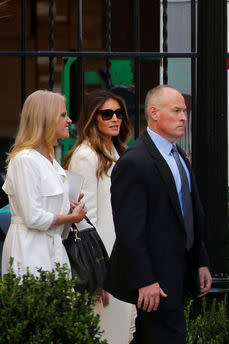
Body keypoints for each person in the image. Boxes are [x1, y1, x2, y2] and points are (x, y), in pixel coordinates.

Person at [105, 85, 212, 344]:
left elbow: (188, 213)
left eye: (184, 111)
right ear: (154, 113)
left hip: (179, 273)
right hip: (156, 280)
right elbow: (129, 229)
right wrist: (145, 279)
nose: (184, 117)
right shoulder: (134, 161)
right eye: (176, 111)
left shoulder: (179, 157)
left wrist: (200, 261)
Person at [64, 90, 133, 344]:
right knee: (107, 333)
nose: (115, 119)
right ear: (94, 118)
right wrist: (99, 273)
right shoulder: (85, 156)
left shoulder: (114, 151)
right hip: (102, 262)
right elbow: (85, 218)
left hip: (119, 256)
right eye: (107, 114)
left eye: (119, 113)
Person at [1, 90, 86, 277]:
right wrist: (71, 218)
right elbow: (33, 217)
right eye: (63, 115)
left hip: (54, 249)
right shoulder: (24, 160)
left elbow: (46, 205)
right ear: (45, 119)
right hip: (29, 251)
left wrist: (68, 205)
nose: (69, 120)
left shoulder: (50, 159)